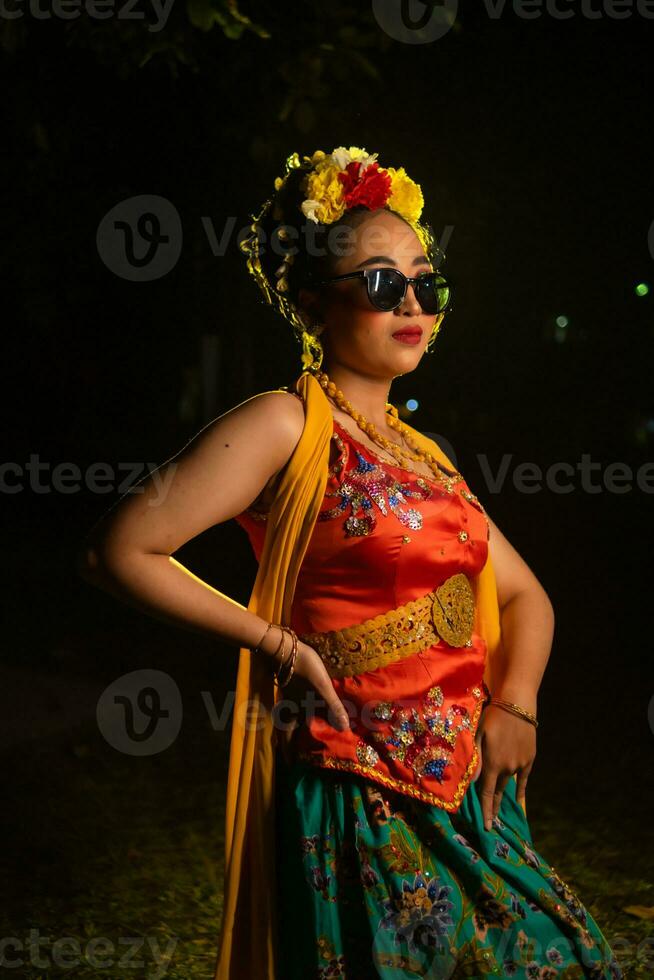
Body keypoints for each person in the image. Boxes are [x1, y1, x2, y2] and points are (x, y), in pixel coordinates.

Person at [79, 146, 623, 979]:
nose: (411, 301)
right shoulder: (284, 425)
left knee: (571, 956)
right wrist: (279, 646)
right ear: (309, 303)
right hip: (357, 786)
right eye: (379, 283)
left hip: (471, 784)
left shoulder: (425, 455)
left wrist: (517, 706)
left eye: (424, 282)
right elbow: (120, 550)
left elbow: (526, 597)